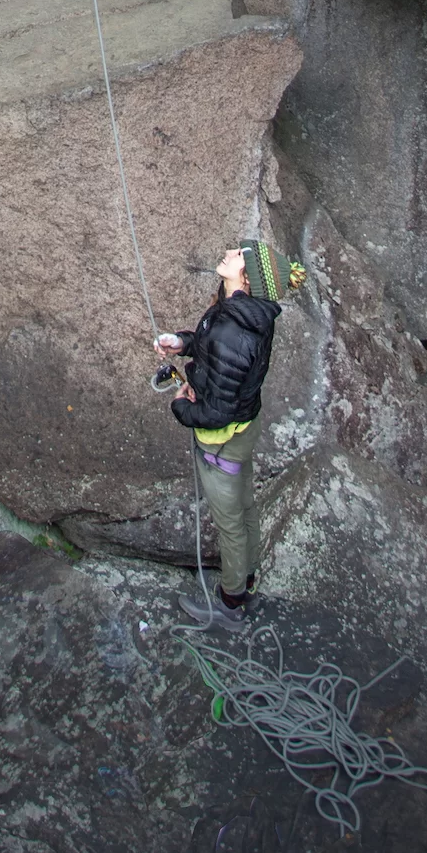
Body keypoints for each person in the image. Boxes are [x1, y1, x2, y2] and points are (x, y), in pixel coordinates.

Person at [155, 244, 280, 616]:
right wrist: (181, 343)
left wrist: (182, 408)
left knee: (231, 524)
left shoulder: (236, 331)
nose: (230, 252)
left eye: (240, 254)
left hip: (221, 443)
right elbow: (211, 348)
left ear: (248, 278)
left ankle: (231, 601)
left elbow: (216, 412)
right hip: (243, 430)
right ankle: (248, 577)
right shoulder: (236, 313)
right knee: (245, 507)